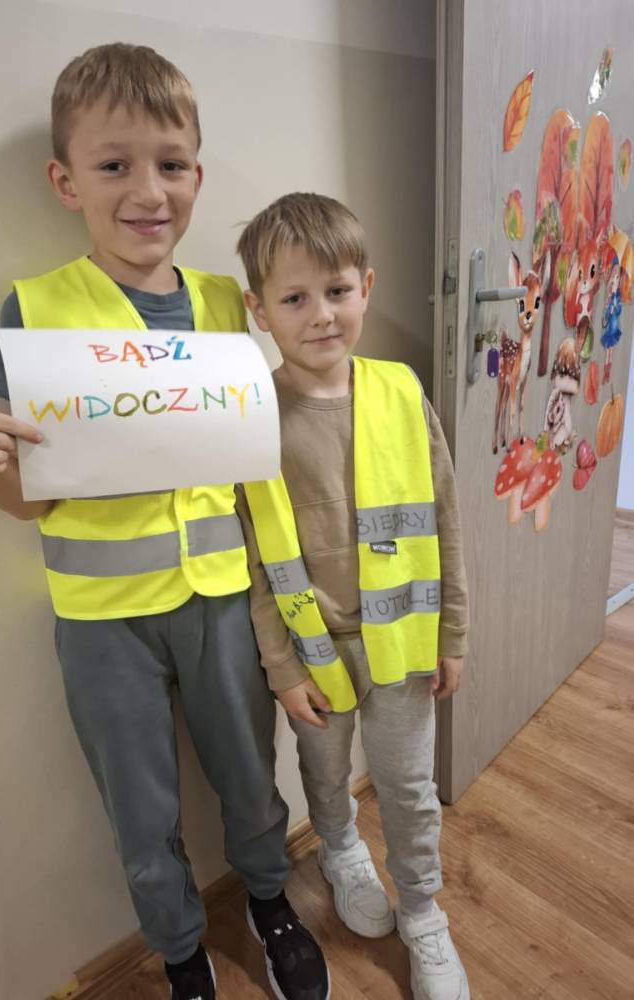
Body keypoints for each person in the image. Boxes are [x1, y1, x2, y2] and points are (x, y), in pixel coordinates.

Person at [0, 45, 329, 1000]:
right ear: (66, 182)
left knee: (249, 774)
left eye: (171, 164)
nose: (148, 191)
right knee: (140, 808)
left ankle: (270, 902)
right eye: (114, 165)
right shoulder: (35, 310)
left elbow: (260, 450)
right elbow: (34, 493)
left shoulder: (229, 303)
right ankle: (181, 953)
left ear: (197, 175)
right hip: (102, 619)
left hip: (223, 601)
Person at [235, 192, 471, 1000]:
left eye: (337, 291)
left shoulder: (401, 392)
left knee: (408, 788)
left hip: (402, 642)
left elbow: (444, 517)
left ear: (366, 287)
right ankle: (340, 850)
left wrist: (453, 633)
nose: (321, 315)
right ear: (259, 309)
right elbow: (256, 556)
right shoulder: (255, 413)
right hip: (314, 653)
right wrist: (281, 667)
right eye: (294, 298)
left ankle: (424, 911)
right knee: (326, 775)